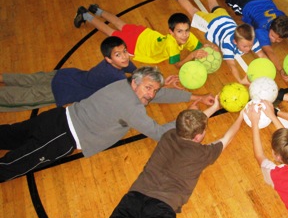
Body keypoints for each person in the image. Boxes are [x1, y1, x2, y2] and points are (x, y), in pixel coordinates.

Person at [0, 66, 216, 182]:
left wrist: (193, 96)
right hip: (63, 136)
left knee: (11, 134)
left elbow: (159, 94)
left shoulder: (124, 85)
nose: (151, 94)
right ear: (136, 83)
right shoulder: (131, 107)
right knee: (15, 164)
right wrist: (189, 116)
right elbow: (159, 133)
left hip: (56, 118)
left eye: (154, 89)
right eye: (148, 88)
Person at [96, 103, 244, 218]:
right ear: (198, 137)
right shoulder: (202, 153)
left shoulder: (169, 135)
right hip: (161, 209)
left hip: (132, 201)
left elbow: (188, 126)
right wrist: (242, 116)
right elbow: (227, 138)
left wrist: (215, 106)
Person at [166, 0, 267, 85]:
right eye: (245, 46)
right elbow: (232, 66)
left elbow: (262, 55)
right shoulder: (227, 45)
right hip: (210, 23)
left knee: (214, 4)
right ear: (235, 42)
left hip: (224, 17)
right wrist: (241, 81)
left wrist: (269, 69)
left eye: (250, 45)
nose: (249, 49)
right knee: (193, 11)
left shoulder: (250, 37)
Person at [0, 37, 137, 112]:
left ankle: (2, 77)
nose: (124, 57)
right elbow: (129, 93)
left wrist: (136, 71)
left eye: (125, 51)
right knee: (24, 96)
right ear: (108, 59)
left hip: (65, 75)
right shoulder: (117, 76)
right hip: (63, 90)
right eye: (118, 54)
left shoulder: (113, 63)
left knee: (31, 79)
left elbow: (129, 66)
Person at [74, 4, 208, 68]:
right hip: (137, 45)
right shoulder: (171, 44)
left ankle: (96, 10)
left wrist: (206, 48)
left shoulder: (188, 36)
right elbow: (178, 65)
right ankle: (85, 14)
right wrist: (192, 55)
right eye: (180, 31)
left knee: (121, 24)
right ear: (171, 32)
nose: (184, 35)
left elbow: (199, 46)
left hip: (145, 34)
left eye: (186, 30)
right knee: (110, 31)